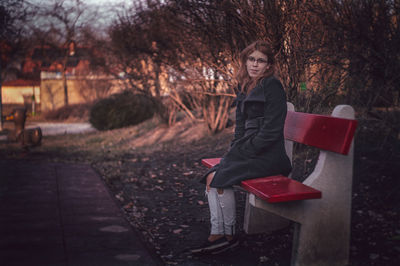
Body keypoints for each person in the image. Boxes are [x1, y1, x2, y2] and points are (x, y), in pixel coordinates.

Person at [190, 40, 292, 255]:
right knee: (211, 177)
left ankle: (225, 235)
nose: (255, 64)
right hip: (248, 151)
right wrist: (234, 150)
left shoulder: (272, 85)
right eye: (251, 59)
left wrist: (243, 151)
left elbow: (272, 131)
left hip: (268, 155)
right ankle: (222, 234)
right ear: (245, 62)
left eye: (261, 61)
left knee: (219, 177)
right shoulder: (244, 87)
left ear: (268, 65)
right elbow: (240, 128)